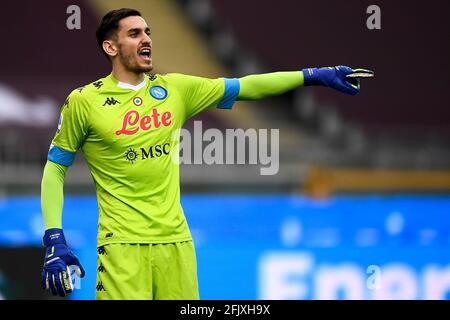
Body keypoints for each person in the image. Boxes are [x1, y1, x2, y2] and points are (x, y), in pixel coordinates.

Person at [40, 8, 373, 300]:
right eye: (134, 33)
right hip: (121, 248)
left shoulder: (176, 89)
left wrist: (313, 76)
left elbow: (247, 87)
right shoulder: (84, 102)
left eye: (148, 32)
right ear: (110, 47)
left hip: (177, 244)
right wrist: (54, 237)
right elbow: (55, 169)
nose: (146, 39)